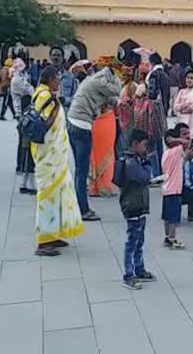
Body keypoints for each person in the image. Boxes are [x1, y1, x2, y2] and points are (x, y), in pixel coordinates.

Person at [31, 66, 84, 256]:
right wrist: (56, 104)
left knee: (57, 193)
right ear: (51, 79)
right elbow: (45, 124)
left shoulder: (43, 93)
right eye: (57, 79)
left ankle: (52, 234)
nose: (59, 82)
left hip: (54, 154)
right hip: (48, 156)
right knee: (48, 195)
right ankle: (43, 242)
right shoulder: (45, 96)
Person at [67, 67, 122, 222]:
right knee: (82, 171)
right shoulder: (100, 81)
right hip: (82, 125)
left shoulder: (91, 81)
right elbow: (117, 90)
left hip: (73, 122)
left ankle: (77, 204)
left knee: (80, 170)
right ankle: (83, 209)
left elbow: (109, 101)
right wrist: (117, 78)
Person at [115, 128, 156, 290]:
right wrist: (147, 163)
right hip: (132, 206)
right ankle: (128, 275)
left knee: (140, 240)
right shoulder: (131, 163)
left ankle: (139, 269)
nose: (146, 149)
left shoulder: (135, 160)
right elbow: (145, 177)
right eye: (144, 145)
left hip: (140, 206)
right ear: (135, 144)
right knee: (132, 241)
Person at [10, 58, 36, 194]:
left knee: (26, 147)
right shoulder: (17, 81)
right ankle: (28, 182)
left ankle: (25, 181)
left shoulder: (20, 78)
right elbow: (31, 91)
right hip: (24, 118)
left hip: (25, 117)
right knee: (27, 149)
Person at [161, 125, 187, 250]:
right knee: (174, 218)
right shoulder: (177, 151)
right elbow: (188, 142)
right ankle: (172, 239)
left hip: (166, 189)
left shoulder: (165, 153)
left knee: (166, 216)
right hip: (175, 189)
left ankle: (167, 237)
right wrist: (176, 140)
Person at [88, 102, 118, 198]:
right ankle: (105, 186)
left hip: (96, 121)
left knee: (97, 154)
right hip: (107, 119)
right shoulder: (109, 88)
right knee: (107, 153)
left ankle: (95, 186)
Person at [147, 53, 170, 176]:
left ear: (152, 63)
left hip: (153, 111)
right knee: (159, 140)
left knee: (152, 142)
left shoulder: (154, 75)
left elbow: (151, 94)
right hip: (162, 110)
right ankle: (161, 169)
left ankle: (155, 171)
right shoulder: (165, 75)